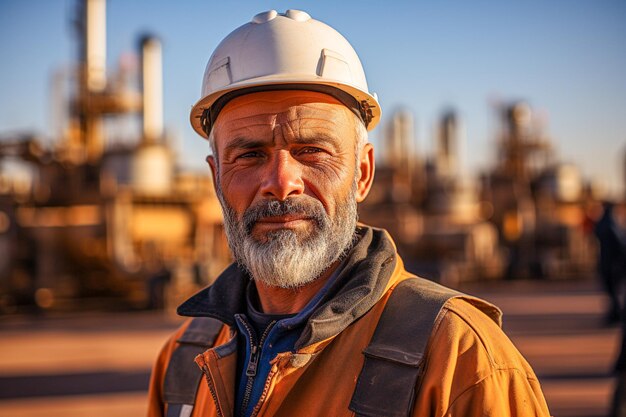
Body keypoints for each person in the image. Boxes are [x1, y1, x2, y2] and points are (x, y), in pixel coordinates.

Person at [148, 10, 551, 417]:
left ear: (362, 173)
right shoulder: (185, 361)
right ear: (216, 178)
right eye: (249, 154)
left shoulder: (460, 358)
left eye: (311, 151)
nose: (282, 182)